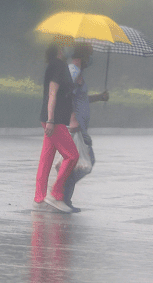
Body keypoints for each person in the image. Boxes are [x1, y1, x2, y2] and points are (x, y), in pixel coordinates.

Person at [57, 43, 108, 212]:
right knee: (82, 163)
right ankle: (61, 195)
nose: (90, 60)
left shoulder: (78, 73)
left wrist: (99, 97)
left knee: (79, 163)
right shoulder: (73, 71)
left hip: (81, 127)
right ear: (82, 57)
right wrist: (72, 117)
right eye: (89, 56)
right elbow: (65, 95)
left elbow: (81, 98)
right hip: (75, 125)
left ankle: (64, 197)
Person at [33, 38, 79, 213]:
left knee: (46, 159)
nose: (70, 48)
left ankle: (38, 199)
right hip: (55, 120)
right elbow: (52, 94)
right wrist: (51, 120)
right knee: (72, 156)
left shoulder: (58, 66)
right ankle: (56, 193)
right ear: (60, 48)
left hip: (53, 119)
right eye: (67, 45)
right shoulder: (58, 66)